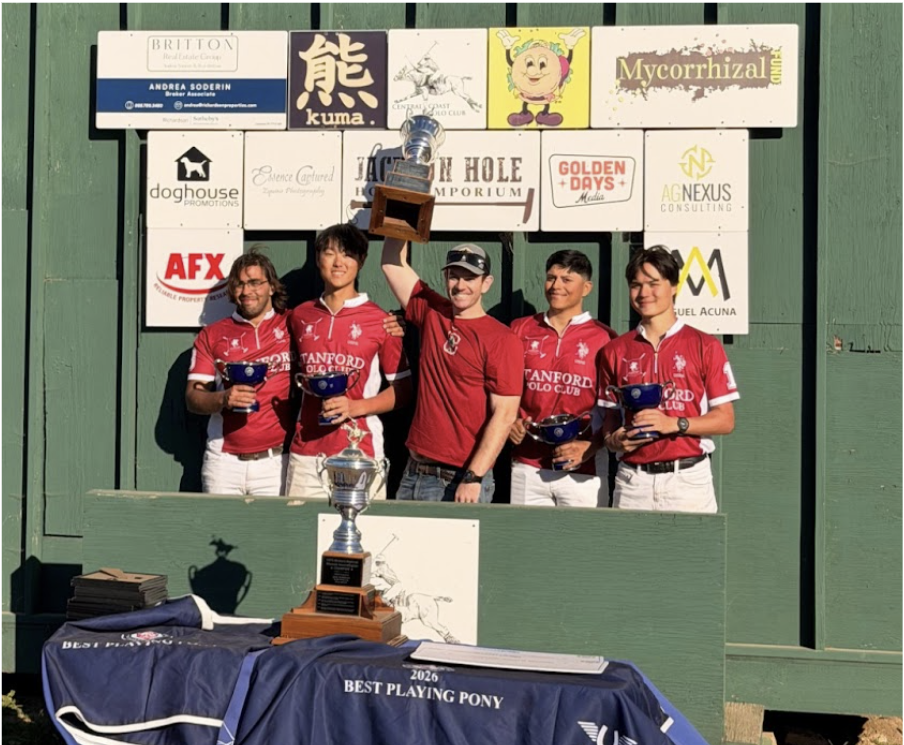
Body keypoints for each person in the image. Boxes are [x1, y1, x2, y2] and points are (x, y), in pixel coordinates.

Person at [381, 238, 523, 503]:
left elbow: (504, 415)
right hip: (413, 472)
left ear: (486, 283)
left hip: (459, 479)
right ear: (445, 278)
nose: (460, 286)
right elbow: (391, 263)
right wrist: (399, 217)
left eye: (470, 278)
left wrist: (474, 477)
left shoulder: (502, 339)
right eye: (454, 276)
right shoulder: (433, 312)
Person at [599, 246, 740, 513]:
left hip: (687, 479)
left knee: (692, 555)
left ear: (673, 286)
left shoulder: (704, 344)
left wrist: (673, 423)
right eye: (635, 285)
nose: (644, 293)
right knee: (627, 555)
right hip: (632, 480)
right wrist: (615, 440)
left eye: (653, 283)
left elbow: (725, 420)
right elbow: (609, 421)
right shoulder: (614, 350)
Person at [286, 224, 412, 500]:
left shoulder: (382, 322)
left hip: (360, 450)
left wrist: (356, 407)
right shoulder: (299, 316)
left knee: (365, 540)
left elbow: (402, 392)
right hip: (306, 453)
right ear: (318, 258)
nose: (338, 262)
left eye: (348, 254)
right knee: (299, 539)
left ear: (361, 261)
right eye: (330, 253)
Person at [508, 250, 617, 507]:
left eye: (567, 280)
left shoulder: (605, 338)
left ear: (586, 287)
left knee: (582, 543)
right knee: (527, 542)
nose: (556, 286)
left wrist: (590, 447)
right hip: (527, 462)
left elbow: (613, 409)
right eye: (551, 278)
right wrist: (510, 421)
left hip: (584, 466)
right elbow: (502, 390)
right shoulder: (519, 329)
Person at [186, 248, 293, 496]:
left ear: (272, 287)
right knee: (217, 533)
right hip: (224, 462)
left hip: (277, 460)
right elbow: (193, 397)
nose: (246, 291)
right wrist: (223, 398)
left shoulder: (293, 323)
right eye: (239, 284)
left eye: (255, 282)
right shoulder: (211, 335)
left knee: (273, 535)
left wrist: (390, 322)